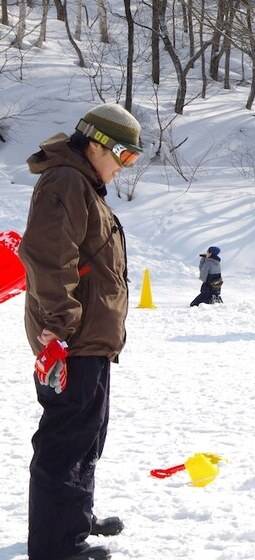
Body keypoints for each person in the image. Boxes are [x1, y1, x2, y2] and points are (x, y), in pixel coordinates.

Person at [18, 103, 143, 560]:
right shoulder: (66, 181)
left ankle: (73, 516)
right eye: (124, 156)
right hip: (69, 340)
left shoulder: (82, 184)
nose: (125, 167)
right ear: (96, 144)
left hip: (88, 339)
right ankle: (57, 547)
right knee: (66, 439)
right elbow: (49, 257)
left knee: (88, 435)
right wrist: (59, 329)